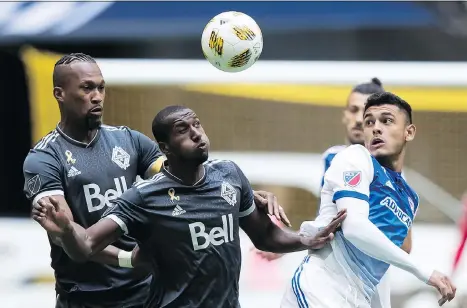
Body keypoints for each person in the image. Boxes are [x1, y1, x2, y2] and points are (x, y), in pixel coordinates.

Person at [23, 53, 288, 308]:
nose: (97, 97)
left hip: (145, 292)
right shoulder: (44, 159)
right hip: (86, 297)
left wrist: (242, 193)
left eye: (101, 88)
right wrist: (128, 259)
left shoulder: (129, 140)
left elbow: (187, 180)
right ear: (60, 94)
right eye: (87, 88)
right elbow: (64, 234)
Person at [32, 105, 347, 308]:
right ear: (165, 148)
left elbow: (265, 237)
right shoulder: (144, 197)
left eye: (197, 124)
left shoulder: (230, 175)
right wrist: (65, 229)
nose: (197, 134)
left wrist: (307, 240)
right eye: (184, 130)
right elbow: (86, 245)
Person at [281, 92, 456, 308]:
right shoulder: (354, 157)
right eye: (369, 122)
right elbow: (355, 228)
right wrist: (425, 272)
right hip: (320, 290)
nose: (376, 128)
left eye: (387, 120)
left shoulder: (410, 199)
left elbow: (379, 263)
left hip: (357, 299)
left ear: (409, 132)